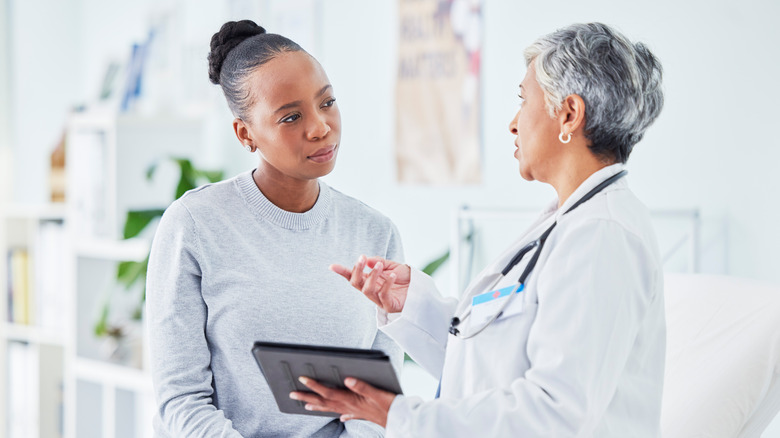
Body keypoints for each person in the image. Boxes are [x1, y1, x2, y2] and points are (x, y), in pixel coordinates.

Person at [292, 22, 666, 437]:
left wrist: (397, 415)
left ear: (569, 114)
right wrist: (412, 303)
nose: (513, 123)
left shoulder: (603, 235)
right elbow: (488, 365)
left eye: (523, 101)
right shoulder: (568, 223)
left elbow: (556, 414)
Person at [146, 20, 403, 437]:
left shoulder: (376, 232)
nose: (320, 126)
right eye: (290, 117)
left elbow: (376, 402)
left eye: (327, 102)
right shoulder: (194, 224)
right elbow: (181, 399)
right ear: (245, 134)